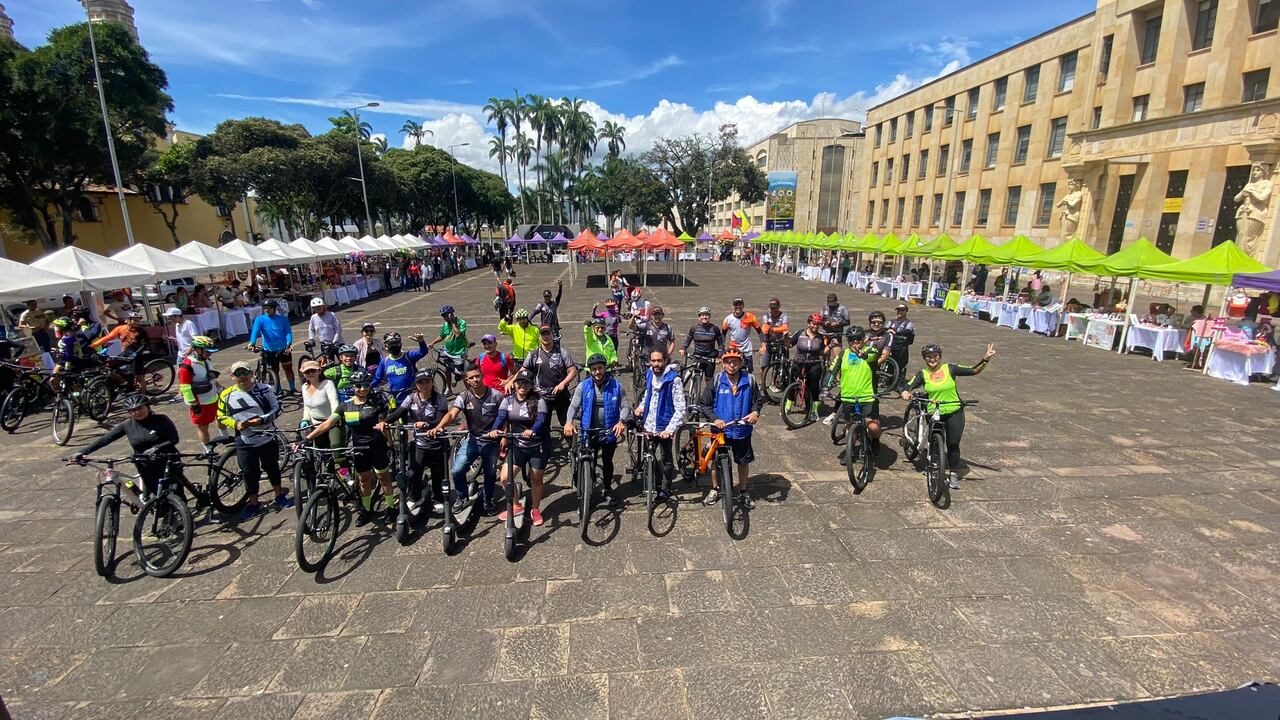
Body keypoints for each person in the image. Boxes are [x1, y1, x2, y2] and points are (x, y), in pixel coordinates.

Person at [305, 369, 398, 522]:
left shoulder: (377, 403)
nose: (363, 388)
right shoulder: (344, 406)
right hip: (359, 448)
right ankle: (366, 510)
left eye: (366, 384)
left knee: (383, 478)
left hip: (377, 446)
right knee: (363, 480)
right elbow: (329, 423)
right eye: (359, 385)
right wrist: (308, 438)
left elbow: (384, 424)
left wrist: (391, 444)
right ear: (353, 387)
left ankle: (390, 508)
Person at [901, 343, 995, 488]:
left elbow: (974, 370)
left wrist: (986, 359)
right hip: (934, 410)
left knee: (953, 443)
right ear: (924, 358)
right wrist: (906, 391)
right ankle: (933, 464)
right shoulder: (922, 374)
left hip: (954, 410)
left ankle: (953, 473)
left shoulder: (950, 368)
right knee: (934, 440)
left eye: (935, 356)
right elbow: (909, 384)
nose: (932, 359)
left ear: (940, 356)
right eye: (929, 357)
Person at [217, 361, 293, 521]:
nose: (242, 377)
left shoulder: (265, 389)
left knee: (272, 468)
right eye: (238, 374)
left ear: (252, 374)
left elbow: (278, 407)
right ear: (232, 377)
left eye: (245, 373)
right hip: (244, 441)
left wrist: (262, 420)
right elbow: (221, 416)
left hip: (267, 436)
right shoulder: (226, 395)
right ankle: (253, 503)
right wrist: (236, 424)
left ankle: (279, 495)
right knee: (249, 473)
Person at [428, 363, 503, 514]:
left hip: (492, 443)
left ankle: (488, 500)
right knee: (456, 470)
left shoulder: (496, 395)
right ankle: (462, 497)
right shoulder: (464, 397)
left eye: (477, 376)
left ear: (482, 376)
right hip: (473, 440)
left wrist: (504, 438)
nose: (475, 380)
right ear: (467, 380)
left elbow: (505, 418)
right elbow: (452, 414)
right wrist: (439, 426)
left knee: (490, 474)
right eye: (471, 378)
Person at [74, 394, 180, 498]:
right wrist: (83, 451)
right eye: (132, 410)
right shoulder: (127, 425)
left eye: (140, 408)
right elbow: (105, 439)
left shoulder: (161, 419)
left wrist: (156, 448)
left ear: (147, 407)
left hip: (167, 460)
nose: (137, 412)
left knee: (175, 494)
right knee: (158, 497)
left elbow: (174, 439)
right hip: (144, 464)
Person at [695, 347, 763, 508]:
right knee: (715, 461)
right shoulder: (717, 380)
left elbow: (757, 401)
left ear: (741, 363)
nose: (732, 365)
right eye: (728, 362)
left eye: (735, 361)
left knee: (743, 461)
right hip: (720, 430)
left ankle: (743, 491)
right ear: (723, 364)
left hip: (741, 429)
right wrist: (714, 419)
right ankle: (715, 488)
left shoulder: (750, 380)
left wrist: (755, 412)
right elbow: (704, 404)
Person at [564, 353, 632, 499]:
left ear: (605, 368)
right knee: (590, 461)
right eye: (594, 369)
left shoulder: (617, 386)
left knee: (607, 462)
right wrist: (569, 421)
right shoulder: (583, 386)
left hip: (609, 431)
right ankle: (589, 491)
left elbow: (625, 406)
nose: (597, 372)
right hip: (588, 431)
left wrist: (621, 422)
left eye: (600, 368)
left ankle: (607, 489)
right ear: (590, 370)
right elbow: (574, 405)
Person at [385, 370, 450, 513]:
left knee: (437, 473)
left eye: (427, 381)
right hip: (420, 443)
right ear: (417, 385)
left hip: (437, 443)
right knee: (413, 472)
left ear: (432, 383)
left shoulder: (440, 399)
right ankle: (413, 497)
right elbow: (399, 412)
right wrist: (384, 422)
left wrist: (425, 424)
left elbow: (440, 420)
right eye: (421, 382)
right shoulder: (411, 398)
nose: (425, 385)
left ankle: (438, 498)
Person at [491, 369, 550, 525]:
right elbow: (501, 417)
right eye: (520, 382)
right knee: (505, 477)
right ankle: (516, 505)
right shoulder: (508, 400)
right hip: (518, 446)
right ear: (515, 384)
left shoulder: (539, 401)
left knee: (536, 478)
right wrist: (495, 430)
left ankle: (535, 509)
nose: (523, 386)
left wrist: (533, 431)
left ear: (531, 385)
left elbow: (541, 420)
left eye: (526, 383)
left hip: (538, 446)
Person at [824, 325, 888, 450]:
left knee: (873, 427)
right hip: (848, 396)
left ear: (863, 338)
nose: (855, 342)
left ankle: (875, 440)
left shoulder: (871, 350)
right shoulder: (843, 354)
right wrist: (825, 387)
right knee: (849, 426)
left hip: (867, 396)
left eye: (858, 339)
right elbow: (832, 370)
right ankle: (850, 451)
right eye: (852, 340)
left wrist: (863, 355)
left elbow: (872, 356)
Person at [633, 349, 685, 498]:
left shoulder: (673, 380)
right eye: (653, 360)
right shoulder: (650, 374)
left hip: (664, 426)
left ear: (665, 360)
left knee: (666, 458)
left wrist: (669, 429)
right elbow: (648, 396)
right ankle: (653, 483)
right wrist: (641, 407)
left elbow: (680, 408)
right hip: (649, 424)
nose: (656, 364)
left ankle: (665, 488)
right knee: (648, 455)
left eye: (659, 360)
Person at [522, 325, 577, 429]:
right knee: (543, 425)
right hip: (542, 396)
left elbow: (573, 371)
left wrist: (562, 384)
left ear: (552, 335)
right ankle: (545, 445)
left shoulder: (562, 352)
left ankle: (572, 445)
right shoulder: (534, 354)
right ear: (539, 337)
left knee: (566, 423)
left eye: (548, 333)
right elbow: (522, 371)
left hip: (560, 394)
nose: (545, 336)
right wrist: (511, 381)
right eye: (543, 334)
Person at [178, 335, 222, 454]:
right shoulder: (187, 366)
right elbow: (185, 387)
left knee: (222, 418)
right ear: (197, 349)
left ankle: (224, 437)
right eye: (207, 351)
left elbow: (211, 378)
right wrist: (194, 404)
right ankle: (207, 449)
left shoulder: (206, 360)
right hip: (199, 402)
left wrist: (221, 388)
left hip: (213, 398)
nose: (210, 354)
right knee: (203, 427)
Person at [91, 312, 150, 392]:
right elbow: (107, 338)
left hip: (135, 355)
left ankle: (143, 397)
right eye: (135, 320)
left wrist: (136, 353)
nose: (137, 323)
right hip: (124, 354)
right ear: (128, 320)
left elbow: (144, 345)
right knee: (110, 367)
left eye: (138, 321)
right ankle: (123, 384)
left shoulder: (142, 331)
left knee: (139, 377)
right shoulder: (121, 328)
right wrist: (93, 345)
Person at [247, 299, 296, 394]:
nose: (266, 310)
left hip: (283, 348)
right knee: (275, 370)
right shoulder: (260, 320)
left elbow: (288, 332)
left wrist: (289, 342)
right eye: (265, 308)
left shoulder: (283, 319)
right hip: (269, 349)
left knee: (288, 369)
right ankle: (279, 389)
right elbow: (255, 332)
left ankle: (293, 389)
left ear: (274, 309)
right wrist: (252, 343)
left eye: (269, 308)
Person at [787, 313, 827, 421]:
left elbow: (822, 352)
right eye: (813, 323)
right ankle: (788, 406)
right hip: (798, 363)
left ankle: (814, 411)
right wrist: (786, 338)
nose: (815, 326)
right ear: (809, 323)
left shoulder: (820, 336)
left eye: (818, 324)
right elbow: (789, 345)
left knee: (814, 388)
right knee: (792, 385)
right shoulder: (800, 333)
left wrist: (831, 346)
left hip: (814, 364)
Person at [299, 359, 344, 454]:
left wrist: (332, 419)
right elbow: (307, 406)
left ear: (319, 371)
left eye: (313, 370)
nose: (310, 373)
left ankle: (343, 467)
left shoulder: (327, 384)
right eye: (307, 371)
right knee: (322, 452)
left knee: (337, 450)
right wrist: (305, 419)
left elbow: (334, 403)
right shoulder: (304, 387)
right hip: (315, 424)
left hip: (332, 423)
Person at [372, 332, 430, 403]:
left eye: (396, 343)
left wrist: (421, 341)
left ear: (401, 344)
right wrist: (365, 386)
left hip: (412, 397)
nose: (394, 346)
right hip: (395, 398)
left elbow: (423, 351)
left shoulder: (408, 356)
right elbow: (377, 378)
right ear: (386, 346)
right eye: (391, 344)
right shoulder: (385, 361)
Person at [681, 306, 724, 382]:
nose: (704, 317)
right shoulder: (694, 328)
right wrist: (683, 348)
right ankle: (693, 392)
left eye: (706, 315)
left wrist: (720, 356)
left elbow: (720, 343)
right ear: (699, 317)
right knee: (696, 376)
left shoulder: (715, 329)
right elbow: (688, 340)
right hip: (698, 356)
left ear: (709, 316)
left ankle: (708, 393)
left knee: (708, 379)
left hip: (710, 357)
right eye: (702, 315)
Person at [722, 297, 764, 373]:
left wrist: (763, 345)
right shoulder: (727, 319)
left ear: (743, 306)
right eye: (736, 305)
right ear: (732, 307)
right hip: (734, 349)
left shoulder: (751, 317)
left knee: (749, 372)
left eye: (740, 305)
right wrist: (722, 347)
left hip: (747, 349)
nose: (738, 307)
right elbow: (723, 334)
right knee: (732, 370)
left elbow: (760, 331)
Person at [886, 304, 916, 390]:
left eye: (902, 310)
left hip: (902, 347)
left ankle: (899, 383)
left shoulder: (908, 323)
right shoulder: (892, 321)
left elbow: (909, 331)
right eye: (898, 310)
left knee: (901, 365)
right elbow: (885, 329)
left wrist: (896, 332)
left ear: (906, 312)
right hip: (891, 345)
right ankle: (888, 381)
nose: (899, 312)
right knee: (889, 364)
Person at [761, 298, 790, 370]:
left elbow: (785, 327)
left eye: (775, 308)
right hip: (769, 341)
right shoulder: (766, 315)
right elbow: (764, 327)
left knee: (781, 365)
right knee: (763, 366)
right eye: (771, 308)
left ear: (779, 306)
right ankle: (762, 381)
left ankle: (778, 379)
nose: (773, 310)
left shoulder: (783, 316)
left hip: (780, 342)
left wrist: (772, 329)